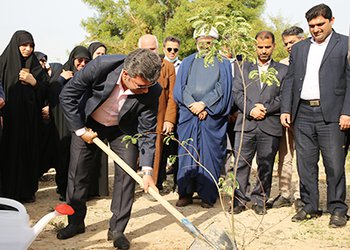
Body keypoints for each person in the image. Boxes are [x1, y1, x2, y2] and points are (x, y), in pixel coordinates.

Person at [57, 48, 161, 250]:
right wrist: (79, 130)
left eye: (149, 86)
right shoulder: (100, 66)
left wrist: (147, 171)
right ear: (126, 75)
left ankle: (117, 230)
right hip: (88, 122)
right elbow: (67, 94)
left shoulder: (152, 89)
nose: (146, 91)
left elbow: (148, 131)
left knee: (126, 175)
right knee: (78, 172)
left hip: (123, 129)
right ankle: (75, 222)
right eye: (141, 86)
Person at [280, 4, 349, 228]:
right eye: (311, 26)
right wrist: (286, 109)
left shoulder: (345, 44)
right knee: (306, 164)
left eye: (320, 24)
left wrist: (347, 111)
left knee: (335, 165)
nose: (316, 29)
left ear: (331, 21)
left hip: (332, 114)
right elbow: (290, 80)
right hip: (303, 114)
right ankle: (309, 206)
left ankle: (337, 209)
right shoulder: (299, 49)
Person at [174, 27, 233, 208]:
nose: (205, 45)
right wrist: (193, 105)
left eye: (209, 42)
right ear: (195, 42)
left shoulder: (223, 63)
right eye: (202, 42)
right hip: (189, 114)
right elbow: (181, 88)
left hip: (211, 116)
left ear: (215, 43)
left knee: (210, 155)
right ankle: (185, 193)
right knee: (187, 153)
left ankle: (208, 195)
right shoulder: (187, 62)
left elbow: (223, 88)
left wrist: (205, 104)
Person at [232, 31, 288, 215]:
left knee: (266, 164)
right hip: (246, 125)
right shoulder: (243, 68)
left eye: (267, 47)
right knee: (241, 163)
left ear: (273, 46)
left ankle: (259, 200)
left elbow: (284, 97)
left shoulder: (283, 70)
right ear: (254, 46)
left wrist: (265, 108)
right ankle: (239, 199)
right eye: (260, 47)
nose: (263, 51)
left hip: (269, 124)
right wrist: (251, 110)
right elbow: (237, 93)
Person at [0, 30, 49, 202]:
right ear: (16, 45)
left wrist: (33, 81)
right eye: (24, 45)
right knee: (8, 153)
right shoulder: (2, 63)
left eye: (31, 46)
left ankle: (26, 192)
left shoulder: (35, 67)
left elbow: (46, 90)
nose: (28, 49)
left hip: (30, 122)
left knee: (27, 153)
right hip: (7, 121)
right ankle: (7, 193)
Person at [267, 26, 305, 211]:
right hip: (284, 118)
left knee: (304, 158)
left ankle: (300, 195)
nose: (289, 46)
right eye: (286, 43)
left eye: (293, 42)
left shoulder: (310, 60)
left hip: (306, 117)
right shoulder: (282, 64)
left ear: (302, 39)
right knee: (285, 157)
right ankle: (284, 193)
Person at [51, 46, 91, 201]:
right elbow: (53, 94)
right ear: (72, 60)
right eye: (79, 60)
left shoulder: (89, 76)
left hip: (81, 123)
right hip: (63, 124)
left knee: (79, 161)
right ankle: (63, 189)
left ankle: (77, 192)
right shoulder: (64, 74)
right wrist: (61, 79)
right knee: (63, 156)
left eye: (86, 61)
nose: (82, 64)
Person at [138, 34, 177, 191]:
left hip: (159, 116)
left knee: (157, 150)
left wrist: (169, 119)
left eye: (152, 49)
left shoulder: (167, 67)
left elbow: (173, 96)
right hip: (137, 116)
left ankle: (155, 184)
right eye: (146, 49)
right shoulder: (132, 66)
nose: (150, 52)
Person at [34, 51, 63, 179]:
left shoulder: (47, 78)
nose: (43, 64)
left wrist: (50, 109)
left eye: (44, 61)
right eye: (40, 61)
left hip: (49, 120)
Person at [87, 41, 109, 198]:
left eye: (103, 54)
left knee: (102, 154)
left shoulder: (108, 71)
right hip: (88, 118)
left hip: (104, 116)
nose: (101, 57)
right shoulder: (86, 71)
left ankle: (100, 189)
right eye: (97, 54)